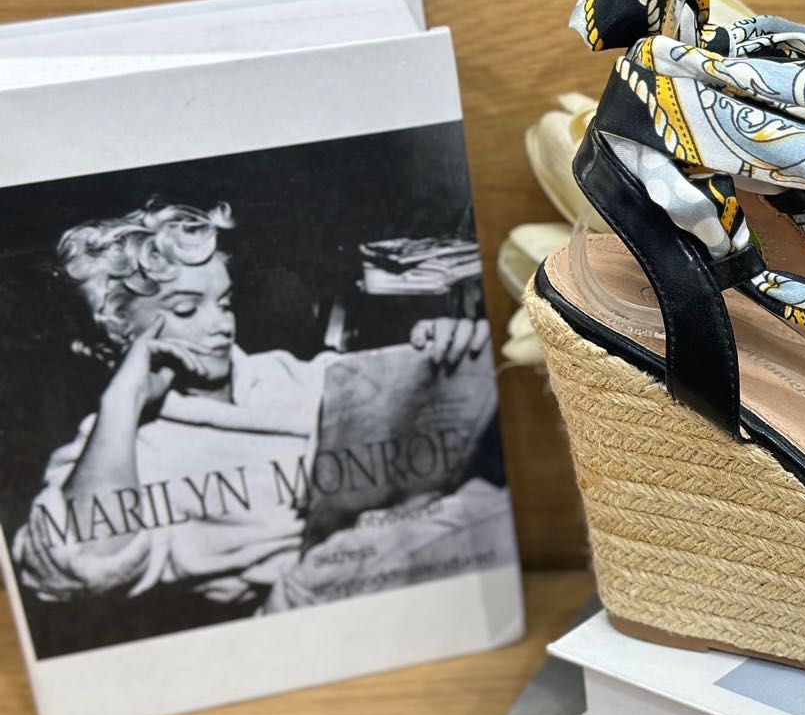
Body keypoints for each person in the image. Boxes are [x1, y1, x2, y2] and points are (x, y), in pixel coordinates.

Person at [10, 200, 491, 618]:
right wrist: (122, 402)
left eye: (224, 302)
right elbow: (68, 568)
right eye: (185, 310)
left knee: (481, 506)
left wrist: (443, 356)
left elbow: (394, 407)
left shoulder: (282, 373)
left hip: (400, 553)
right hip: (304, 601)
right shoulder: (120, 447)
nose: (221, 325)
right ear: (118, 336)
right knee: (481, 515)